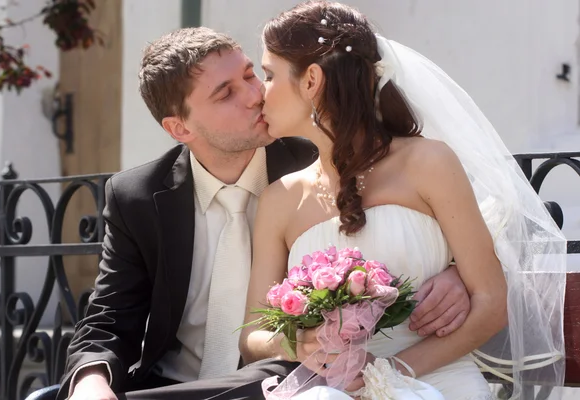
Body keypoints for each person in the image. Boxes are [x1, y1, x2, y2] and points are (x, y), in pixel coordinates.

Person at [59, 26, 473, 400]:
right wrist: (90, 381)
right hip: (172, 388)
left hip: (285, 380)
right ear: (179, 128)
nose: (254, 94)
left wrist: (454, 265)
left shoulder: (318, 162)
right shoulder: (138, 196)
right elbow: (110, 316)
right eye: (226, 93)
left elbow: (431, 208)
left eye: (249, 75)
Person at [239, 1, 566, 399]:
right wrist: (297, 343)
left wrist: (391, 373)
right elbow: (252, 336)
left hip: (437, 379)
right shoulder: (279, 199)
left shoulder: (427, 162)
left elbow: (491, 301)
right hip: (329, 387)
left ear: (310, 81)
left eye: (269, 75)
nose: (259, 93)